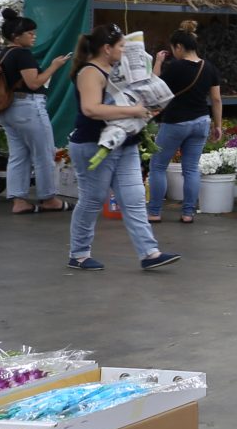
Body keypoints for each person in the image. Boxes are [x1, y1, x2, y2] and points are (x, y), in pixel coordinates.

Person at [66, 23, 179, 272]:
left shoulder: (119, 69)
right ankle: (79, 253)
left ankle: (150, 253)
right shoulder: (90, 72)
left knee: (135, 199)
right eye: (120, 45)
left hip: (126, 143)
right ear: (107, 48)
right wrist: (133, 111)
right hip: (93, 145)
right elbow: (90, 109)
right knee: (92, 200)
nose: (124, 49)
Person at [146, 22, 222, 224]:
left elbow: (154, 88)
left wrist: (158, 62)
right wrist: (218, 125)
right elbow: (216, 99)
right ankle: (188, 213)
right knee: (190, 169)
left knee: (158, 166)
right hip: (201, 122)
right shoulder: (210, 67)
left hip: (175, 123)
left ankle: (154, 212)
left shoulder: (175, 67)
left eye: (173, 48)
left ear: (178, 47)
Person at [0, 8, 69, 215]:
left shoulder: (4, 53)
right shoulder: (22, 54)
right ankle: (49, 198)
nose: (34, 36)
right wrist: (54, 66)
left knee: (18, 156)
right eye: (30, 33)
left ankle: (19, 201)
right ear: (16, 36)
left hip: (9, 109)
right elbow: (34, 83)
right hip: (28, 107)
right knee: (44, 153)